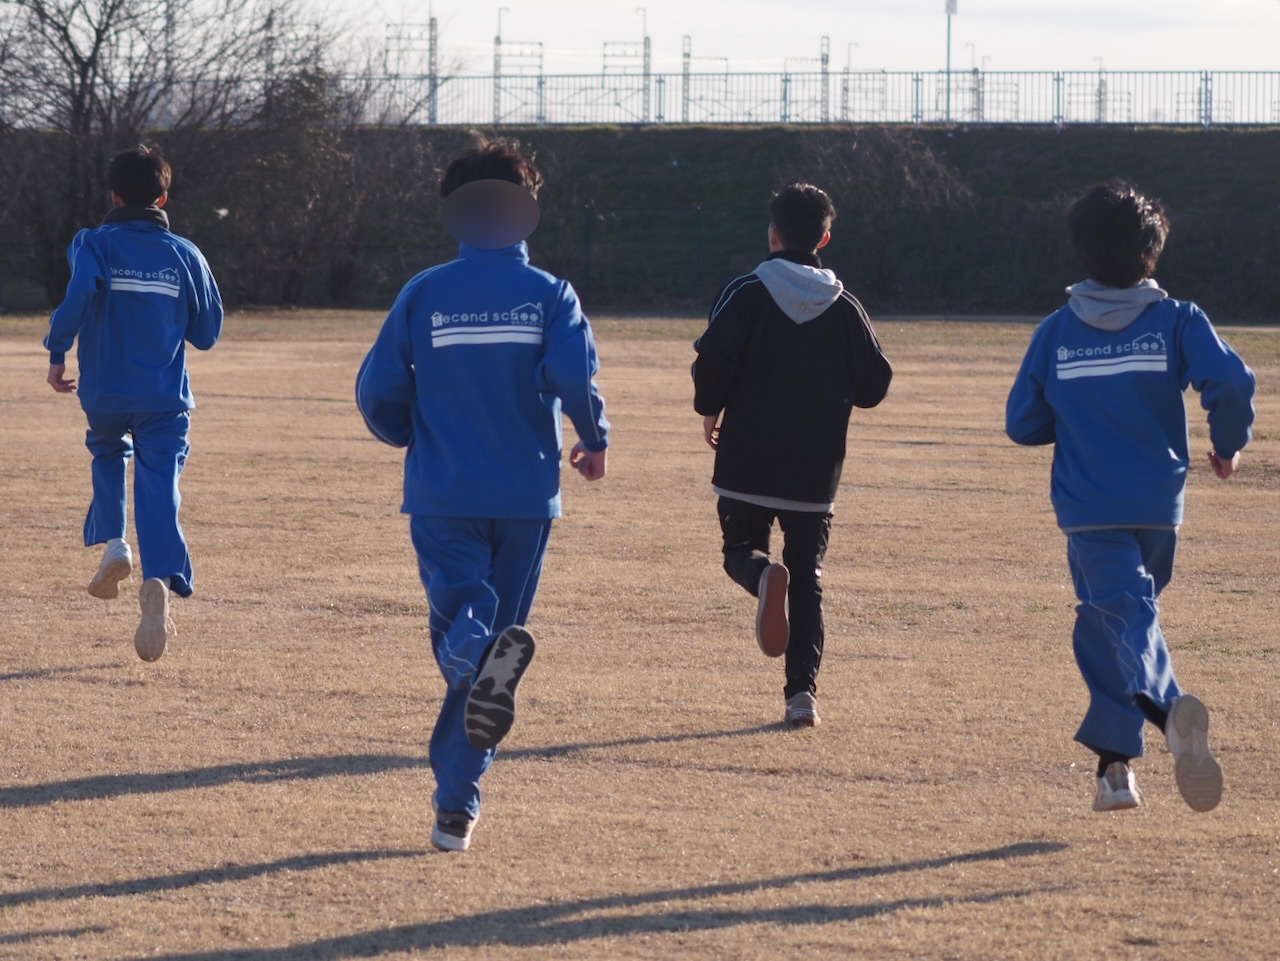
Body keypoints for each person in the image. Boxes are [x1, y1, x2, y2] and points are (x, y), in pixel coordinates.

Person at [355, 137, 609, 853]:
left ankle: (467, 644)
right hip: (526, 494)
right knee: (495, 658)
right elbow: (574, 376)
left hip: (443, 491)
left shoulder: (424, 293)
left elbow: (377, 390)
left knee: (467, 632)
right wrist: (593, 437)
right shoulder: (551, 294)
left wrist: (410, 433)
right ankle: (455, 807)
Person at [1006, 179, 1255, 813]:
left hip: (1090, 511)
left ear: (1080, 249)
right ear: (1152, 251)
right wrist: (1228, 445)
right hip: (1158, 510)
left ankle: (1170, 712)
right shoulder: (1177, 320)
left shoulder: (1057, 331)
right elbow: (1230, 381)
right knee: (1109, 625)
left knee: (1123, 620)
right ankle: (1113, 775)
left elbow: (1022, 423)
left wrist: (1077, 414)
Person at [692, 182, 892, 728]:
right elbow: (875, 383)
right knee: (807, 580)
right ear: (824, 238)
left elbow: (713, 360)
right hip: (814, 470)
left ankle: (761, 577)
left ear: (773, 234)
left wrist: (709, 407)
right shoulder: (845, 307)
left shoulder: (744, 292)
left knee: (741, 550)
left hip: (746, 459)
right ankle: (801, 696)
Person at [44, 144, 223, 662]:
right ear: (162, 198)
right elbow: (207, 332)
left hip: (105, 390)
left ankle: (115, 543)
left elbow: (79, 295)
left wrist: (57, 351)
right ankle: (159, 577)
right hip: (164, 396)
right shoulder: (185, 253)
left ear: (114, 196)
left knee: (106, 451)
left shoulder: (93, 243)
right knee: (160, 481)